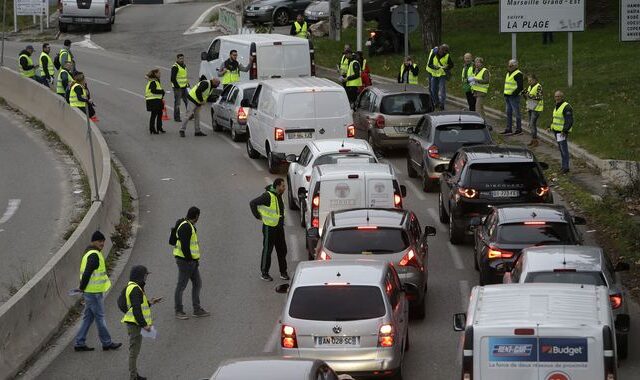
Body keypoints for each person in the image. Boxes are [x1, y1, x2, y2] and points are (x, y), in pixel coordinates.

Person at [74, 231, 122, 352]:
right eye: (100, 241)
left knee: (88, 318)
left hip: (91, 292)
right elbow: (87, 273)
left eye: (103, 241)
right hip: (93, 293)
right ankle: (107, 342)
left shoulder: (89, 253)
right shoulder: (94, 255)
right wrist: (82, 287)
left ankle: (79, 342)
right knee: (100, 318)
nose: (102, 243)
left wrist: (83, 288)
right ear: (93, 241)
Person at [119, 265, 160, 380]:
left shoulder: (131, 286)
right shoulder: (135, 289)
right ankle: (133, 377)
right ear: (141, 275)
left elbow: (125, 304)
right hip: (136, 326)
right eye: (146, 275)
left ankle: (135, 375)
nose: (146, 277)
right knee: (134, 351)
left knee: (134, 350)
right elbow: (136, 309)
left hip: (134, 324)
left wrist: (150, 302)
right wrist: (144, 325)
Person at [172, 206, 210, 319]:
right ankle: (178, 311)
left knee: (197, 283)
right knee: (181, 286)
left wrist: (194, 261)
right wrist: (190, 260)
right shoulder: (186, 227)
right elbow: (185, 246)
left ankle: (197, 309)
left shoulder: (187, 225)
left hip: (191, 261)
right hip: (185, 262)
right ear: (197, 216)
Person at [249, 178, 288, 282]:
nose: (284, 188)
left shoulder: (279, 195)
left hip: (279, 227)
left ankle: (283, 272)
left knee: (282, 250)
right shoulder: (267, 196)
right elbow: (252, 203)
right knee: (268, 250)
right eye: (283, 186)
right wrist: (258, 216)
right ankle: (264, 273)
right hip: (269, 227)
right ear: (277, 186)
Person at [550, 91, 573, 174]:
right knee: (561, 149)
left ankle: (565, 167)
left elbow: (569, 120)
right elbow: (555, 118)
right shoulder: (557, 105)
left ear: (562, 97)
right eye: (556, 96)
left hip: (562, 132)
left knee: (563, 149)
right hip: (556, 131)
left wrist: (564, 130)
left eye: (559, 96)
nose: (557, 98)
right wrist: (550, 126)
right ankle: (564, 166)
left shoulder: (566, 107)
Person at [425, 44, 453, 110]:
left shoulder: (447, 56)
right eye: (441, 51)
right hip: (434, 74)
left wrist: (447, 66)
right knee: (433, 89)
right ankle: (436, 102)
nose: (441, 53)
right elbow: (429, 64)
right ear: (439, 49)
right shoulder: (434, 53)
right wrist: (434, 67)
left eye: (443, 52)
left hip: (442, 75)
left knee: (442, 89)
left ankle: (442, 104)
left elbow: (451, 65)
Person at [502, 59, 524, 135]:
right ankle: (509, 129)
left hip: (514, 97)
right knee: (508, 113)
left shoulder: (518, 74)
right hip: (507, 96)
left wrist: (513, 94)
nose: (509, 66)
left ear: (515, 66)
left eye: (511, 65)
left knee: (516, 113)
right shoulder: (508, 73)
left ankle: (519, 129)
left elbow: (520, 87)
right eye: (509, 65)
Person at [523, 73, 544, 147]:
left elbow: (539, 97)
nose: (529, 82)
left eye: (530, 80)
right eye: (528, 80)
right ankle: (533, 140)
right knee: (531, 125)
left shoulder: (539, 86)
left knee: (532, 124)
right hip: (531, 107)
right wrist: (524, 94)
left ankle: (535, 141)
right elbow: (528, 98)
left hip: (536, 108)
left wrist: (529, 95)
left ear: (535, 80)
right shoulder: (529, 87)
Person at [144, 69, 166, 135]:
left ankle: (159, 128)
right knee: (154, 115)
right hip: (153, 100)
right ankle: (152, 129)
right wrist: (162, 91)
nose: (160, 74)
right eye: (159, 73)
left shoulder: (155, 81)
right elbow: (153, 90)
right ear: (155, 74)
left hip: (157, 100)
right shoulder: (153, 82)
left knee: (160, 114)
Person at [171, 54, 189, 122]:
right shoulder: (175, 67)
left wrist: (187, 84)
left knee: (187, 101)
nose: (182, 60)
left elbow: (184, 76)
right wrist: (177, 86)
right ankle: (177, 117)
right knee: (178, 103)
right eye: (180, 59)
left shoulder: (184, 65)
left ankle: (189, 115)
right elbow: (172, 78)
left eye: (182, 58)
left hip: (184, 87)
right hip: (177, 88)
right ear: (177, 59)